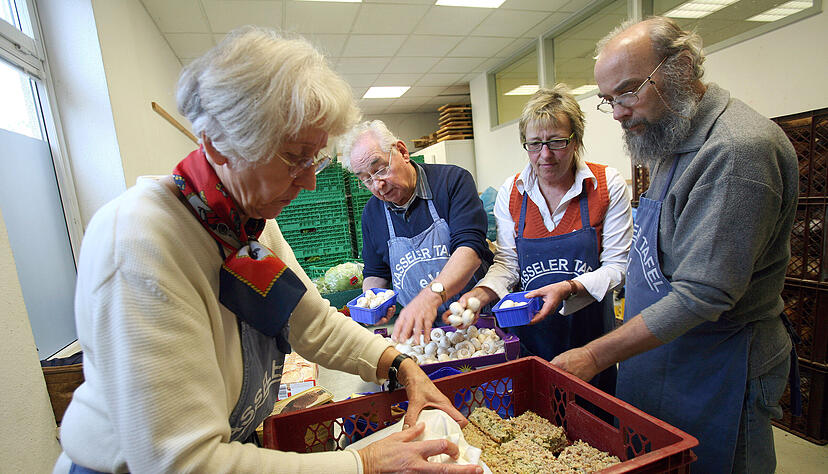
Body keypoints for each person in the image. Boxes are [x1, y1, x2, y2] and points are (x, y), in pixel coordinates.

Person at [54, 27, 482, 474]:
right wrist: (363, 464)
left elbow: (309, 320)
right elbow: (184, 461)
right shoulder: (141, 244)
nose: (311, 180)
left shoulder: (247, 225)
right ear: (221, 144)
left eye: (314, 159)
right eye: (295, 157)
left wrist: (399, 365)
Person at [550, 17, 799, 473]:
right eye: (609, 100)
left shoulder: (736, 151)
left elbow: (704, 293)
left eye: (628, 91)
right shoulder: (672, 137)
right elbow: (653, 258)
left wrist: (592, 355)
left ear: (682, 67)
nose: (620, 111)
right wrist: (574, 289)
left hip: (719, 367)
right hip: (662, 357)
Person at [454, 85, 632, 397]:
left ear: (576, 139)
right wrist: (480, 294)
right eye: (535, 144)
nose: (545, 155)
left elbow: (618, 267)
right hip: (530, 342)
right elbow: (508, 264)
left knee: (593, 422)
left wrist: (570, 288)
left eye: (557, 142)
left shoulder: (606, 185)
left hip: (590, 343)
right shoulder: (513, 192)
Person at [338, 120, 493, 343]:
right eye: (366, 179)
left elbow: (470, 250)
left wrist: (429, 298)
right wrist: (374, 302)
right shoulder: (372, 213)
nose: (377, 185)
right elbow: (376, 272)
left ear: (402, 151)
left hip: (478, 323)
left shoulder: (452, 182)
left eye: (380, 169)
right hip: (425, 333)